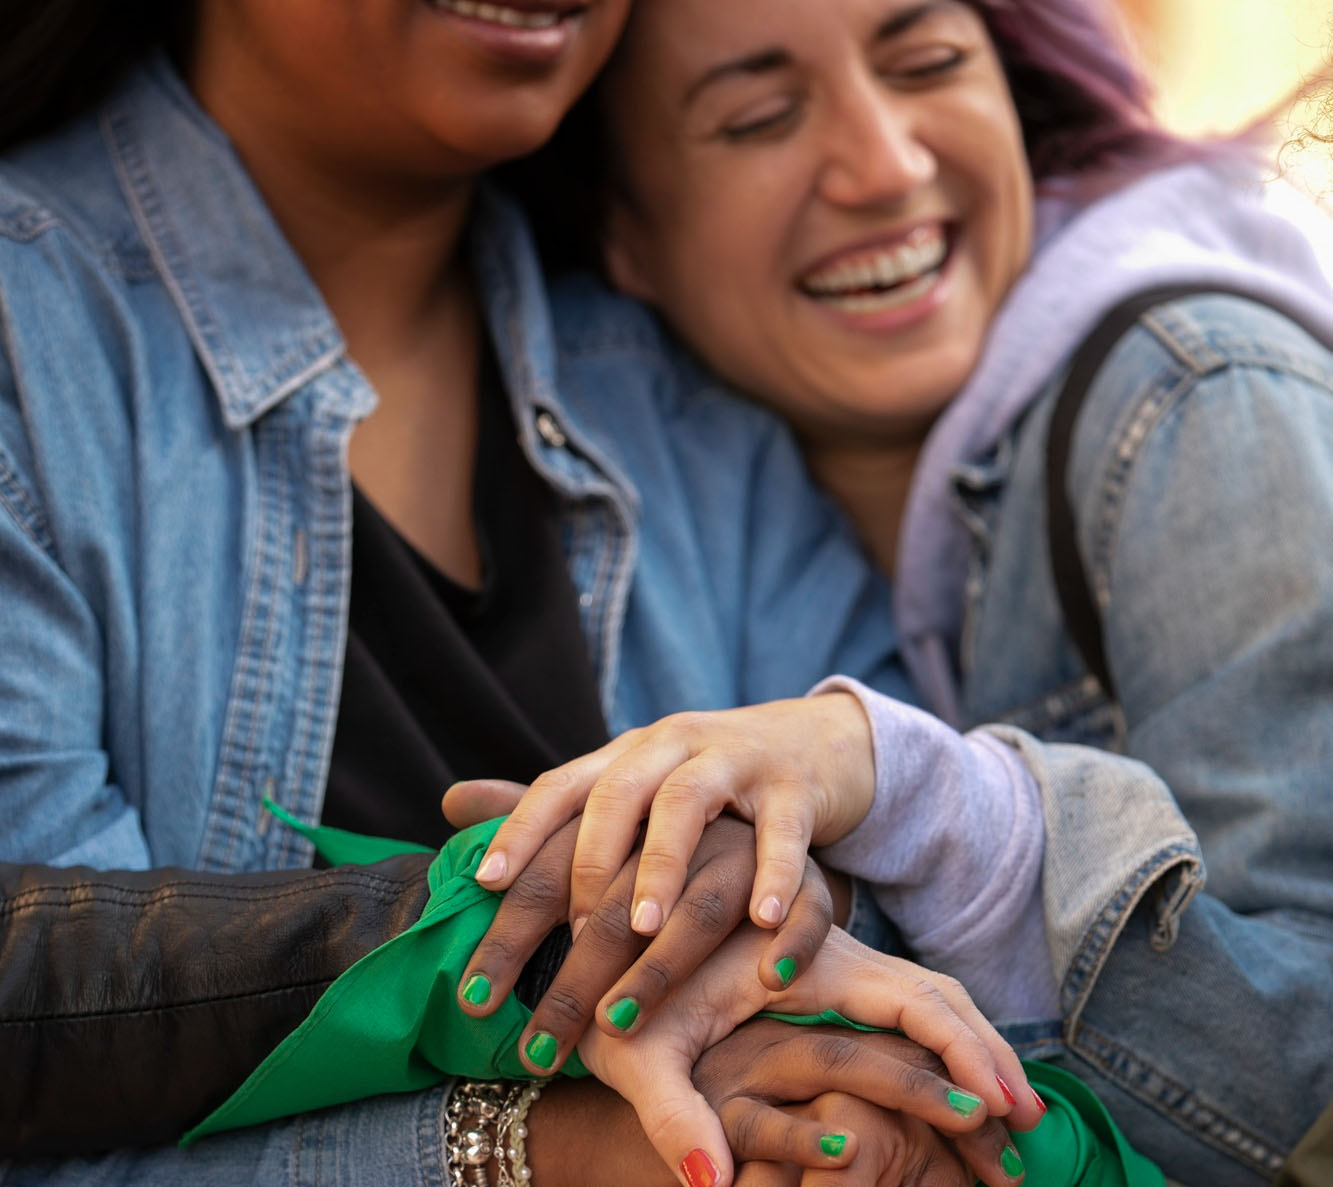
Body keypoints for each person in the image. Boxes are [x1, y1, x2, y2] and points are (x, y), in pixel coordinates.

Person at [0, 2, 1046, 1185]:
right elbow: (44, 1088)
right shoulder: (28, 356)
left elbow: (946, 930)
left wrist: (805, 938)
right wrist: (552, 1151)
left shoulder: (684, 400)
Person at [471, 0, 1333, 1183]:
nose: (885, 165)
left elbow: (1309, 1070)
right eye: (761, 116)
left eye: (927, 62)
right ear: (623, 231)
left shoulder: (1191, 402)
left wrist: (914, 791)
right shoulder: (673, 498)